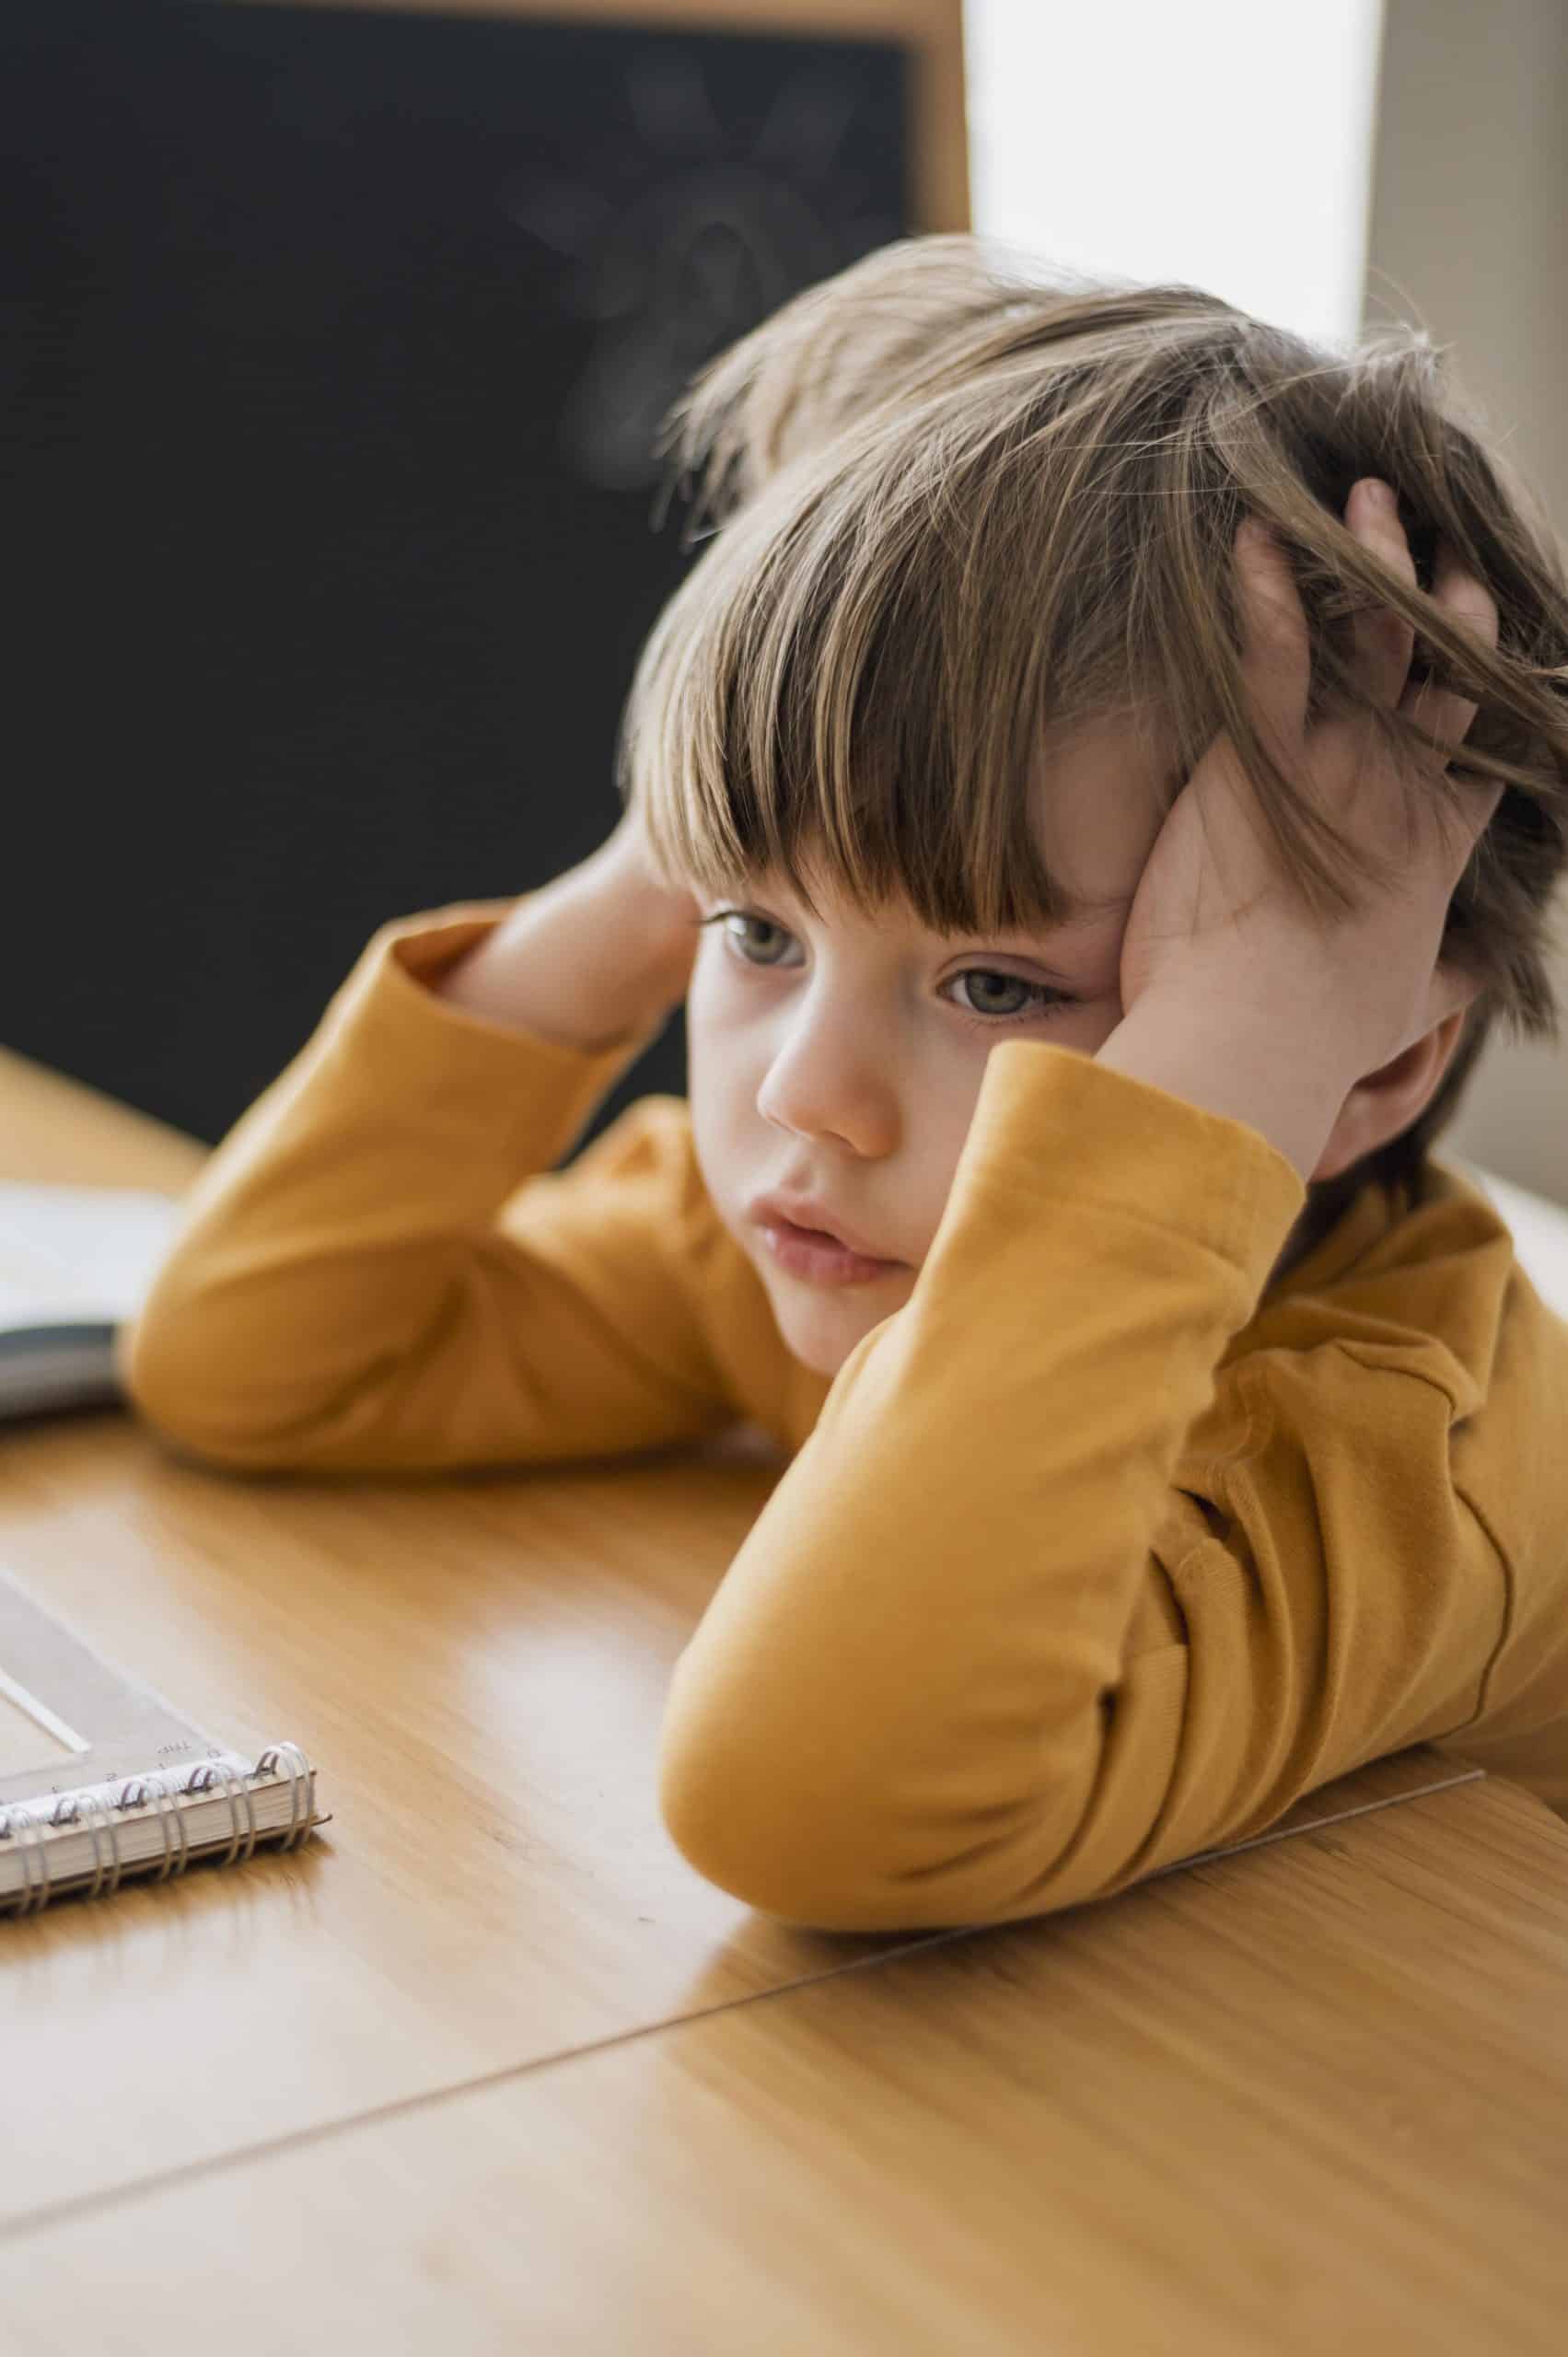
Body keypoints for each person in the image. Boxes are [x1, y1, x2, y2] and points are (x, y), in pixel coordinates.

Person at [118, 235, 1568, 1933]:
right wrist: (675, 853)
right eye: (758, 934)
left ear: (1371, 1054)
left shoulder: (1394, 1464)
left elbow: (815, 1808)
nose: (810, 1095)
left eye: (999, 984)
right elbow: (258, 1361)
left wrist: (1207, 1075)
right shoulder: (824, 1237)